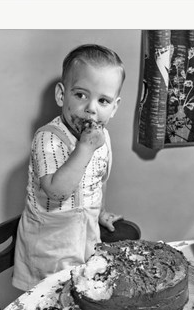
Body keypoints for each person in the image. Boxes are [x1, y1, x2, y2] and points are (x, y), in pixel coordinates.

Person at [13, 44, 125, 291]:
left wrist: (101, 211)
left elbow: (99, 180)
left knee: (83, 293)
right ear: (62, 96)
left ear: (114, 107)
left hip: (86, 236)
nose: (91, 108)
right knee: (49, 302)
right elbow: (56, 191)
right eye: (81, 95)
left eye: (103, 100)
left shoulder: (102, 138)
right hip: (50, 244)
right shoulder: (48, 139)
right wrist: (84, 149)